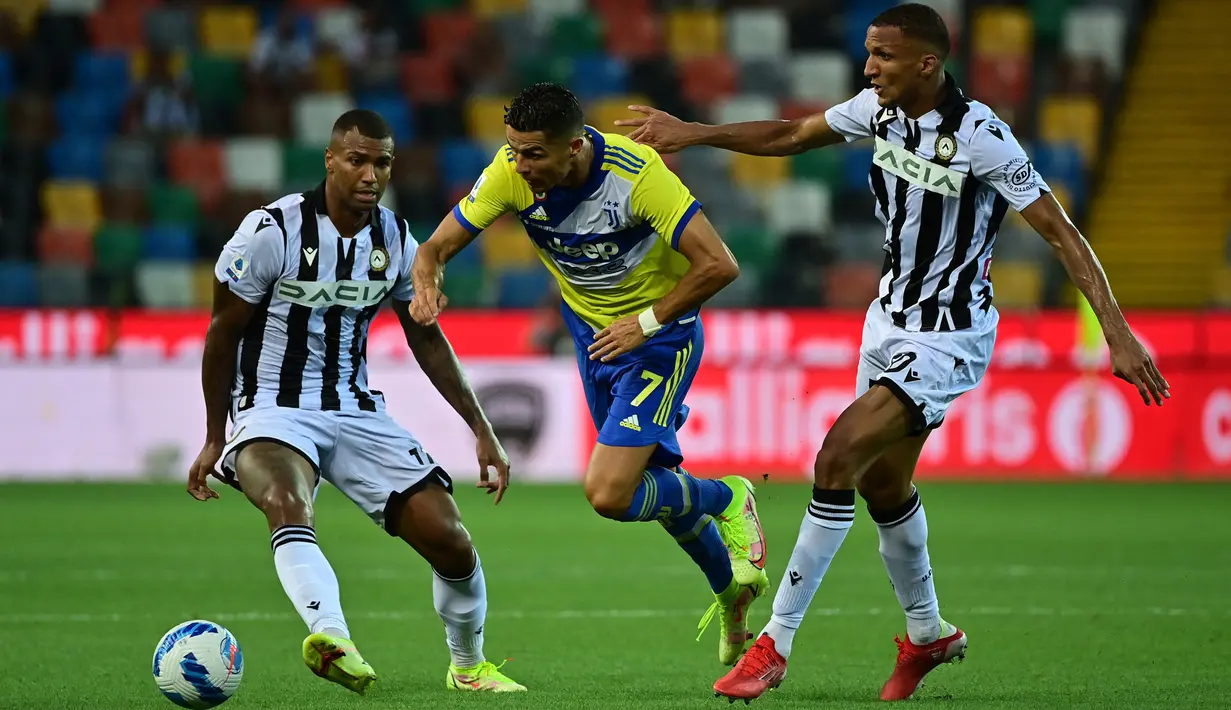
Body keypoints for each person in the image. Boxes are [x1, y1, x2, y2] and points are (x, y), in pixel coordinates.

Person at [615, 3, 1170, 702]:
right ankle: (928, 632)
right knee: (883, 486)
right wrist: (693, 133)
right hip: (885, 325)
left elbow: (1060, 231)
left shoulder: (981, 135)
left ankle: (774, 645)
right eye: (869, 53)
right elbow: (791, 132)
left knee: (836, 455)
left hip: (947, 336)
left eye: (882, 55)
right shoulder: (877, 112)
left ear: (926, 63)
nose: (868, 66)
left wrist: (1115, 330)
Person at [408, 82, 771, 666]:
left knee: (609, 492)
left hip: (659, 340)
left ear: (575, 147)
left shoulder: (638, 176)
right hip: (593, 337)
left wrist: (646, 323)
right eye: (514, 150)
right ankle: (730, 592)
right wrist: (428, 282)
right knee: (651, 484)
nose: (519, 166)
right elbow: (433, 249)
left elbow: (719, 265)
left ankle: (728, 496)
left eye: (534, 155)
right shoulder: (508, 172)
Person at [186, 109, 527, 695]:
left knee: (452, 540)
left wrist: (481, 426)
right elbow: (222, 334)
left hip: (356, 408)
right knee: (287, 501)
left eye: (383, 162)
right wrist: (217, 434)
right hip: (272, 406)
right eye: (358, 159)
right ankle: (331, 635)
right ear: (330, 160)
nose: (371, 174)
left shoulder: (394, 238)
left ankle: (468, 668)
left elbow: (426, 338)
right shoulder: (273, 231)